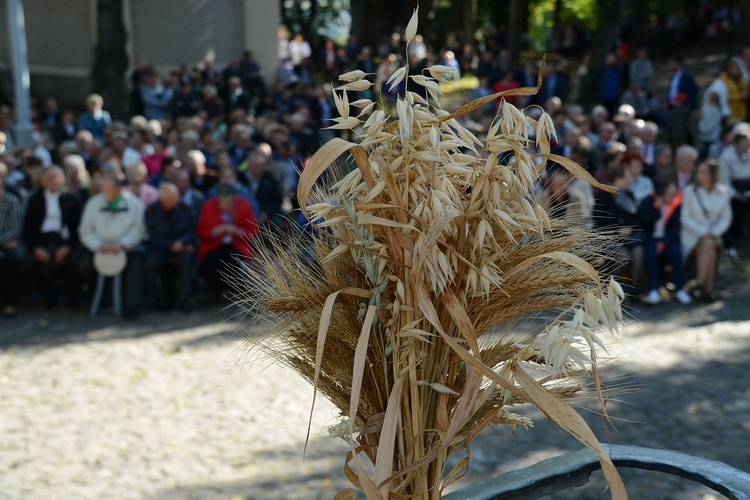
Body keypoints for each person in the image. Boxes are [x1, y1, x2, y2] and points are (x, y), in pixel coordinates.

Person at [78, 172, 146, 318]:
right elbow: (85, 230)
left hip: (126, 249)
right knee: (84, 266)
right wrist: (98, 246)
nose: (105, 192)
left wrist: (122, 244)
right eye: (103, 188)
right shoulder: (93, 203)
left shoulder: (134, 203)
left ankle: (131, 306)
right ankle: (90, 302)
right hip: (97, 249)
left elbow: (138, 229)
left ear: (119, 188)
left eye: (109, 188)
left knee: (136, 266)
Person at [23, 166, 82, 309]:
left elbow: (78, 228)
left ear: (63, 179)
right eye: (50, 178)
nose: (54, 181)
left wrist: (69, 247)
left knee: (77, 261)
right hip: (42, 240)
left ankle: (72, 299)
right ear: (42, 181)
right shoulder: (35, 199)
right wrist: (36, 248)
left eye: (57, 177)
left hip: (65, 241)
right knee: (30, 261)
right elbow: (28, 229)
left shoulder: (71, 198)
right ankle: (49, 298)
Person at [680, 160, 733, 301]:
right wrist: (704, 232)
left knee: (709, 243)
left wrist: (713, 232)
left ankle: (700, 285)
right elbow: (685, 218)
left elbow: (726, 218)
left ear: (712, 175)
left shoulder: (723, 192)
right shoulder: (689, 191)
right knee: (709, 247)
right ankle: (707, 289)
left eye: (704, 172)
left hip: (714, 236)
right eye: (699, 171)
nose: (700, 175)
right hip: (692, 236)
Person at [197, 183, 259, 302]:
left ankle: (231, 292)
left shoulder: (244, 206)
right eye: (222, 202)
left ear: (235, 199)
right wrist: (215, 231)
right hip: (213, 244)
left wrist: (238, 231)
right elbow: (202, 232)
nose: (225, 206)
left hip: (237, 243)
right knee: (212, 261)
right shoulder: (208, 206)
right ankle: (216, 293)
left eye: (228, 203)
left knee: (233, 260)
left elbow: (253, 231)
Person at [593, 165, 645, 300]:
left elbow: (637, 219)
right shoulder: (603, 197)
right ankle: (605, 288)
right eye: (626, 178)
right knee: (623, 255)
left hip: (629, 237)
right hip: (609, 238)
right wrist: (616, 231)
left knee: (638, 250)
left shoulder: (629, 195)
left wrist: (631, 229)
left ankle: (634, 291)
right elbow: (599, 223)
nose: (629, 181)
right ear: (617, 179)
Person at [638, 179, 692, 305]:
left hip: (668, 239)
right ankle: (653, 290)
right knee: (650, 254)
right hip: (651, 238)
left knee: (676, 253)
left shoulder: (676, 204)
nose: (673, 196)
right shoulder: (647, 202)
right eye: (670, 194)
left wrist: (664, 243)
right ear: (661, 194)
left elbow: (675, 228)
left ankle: (680, 289)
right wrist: (656, 210)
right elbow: (644, 224)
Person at [144, 183, 196, 312]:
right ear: (162, 200)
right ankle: (159, 300)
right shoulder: (151, 211)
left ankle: (185, 299)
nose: (173, 203)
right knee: (151, 264)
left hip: (182, 247)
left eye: (175, 199)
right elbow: (153, 236)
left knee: (187, 260)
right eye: (169, 200)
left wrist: (182, 242)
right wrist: (170, 245)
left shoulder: (185, 208)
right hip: (160, 248)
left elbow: (192, 230)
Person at [718, 130, 750, 257]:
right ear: (737, 143)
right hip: (732, 191)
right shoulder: (726, 156)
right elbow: (723, 181)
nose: (748, 145)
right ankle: (732, 241)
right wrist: (736, 195)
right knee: (735, 208)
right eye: (745, 143)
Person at [0, 162, 23, 318]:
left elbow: (16, 229)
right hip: (4, 243)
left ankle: (10, 304)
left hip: (8, 248)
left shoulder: (11, 200)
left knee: (8, 262)